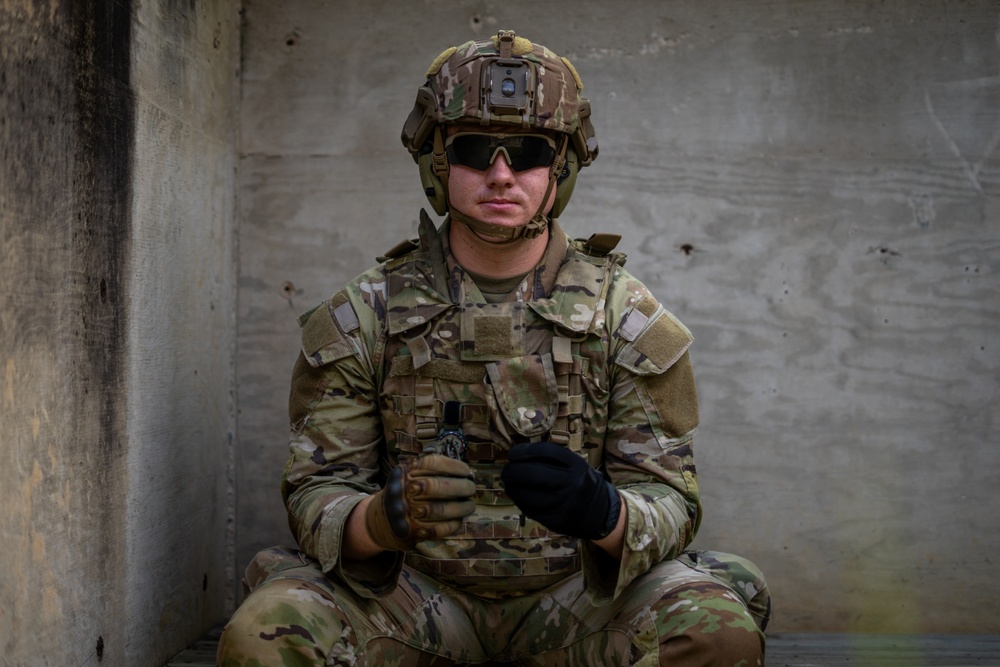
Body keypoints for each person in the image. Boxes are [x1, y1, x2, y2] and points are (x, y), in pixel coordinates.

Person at [218, 30, 770, 667]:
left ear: (560, 166)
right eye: (476, 151)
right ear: (438, 161)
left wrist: (606, 511)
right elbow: (315, 491)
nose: (501, 174)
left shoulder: (623, 314)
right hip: (413, 598)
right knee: (266, 634)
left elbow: (673, 502)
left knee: (717, 633)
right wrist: (377, 520)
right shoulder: (367, 312)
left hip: (579, 598)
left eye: (529, 152)